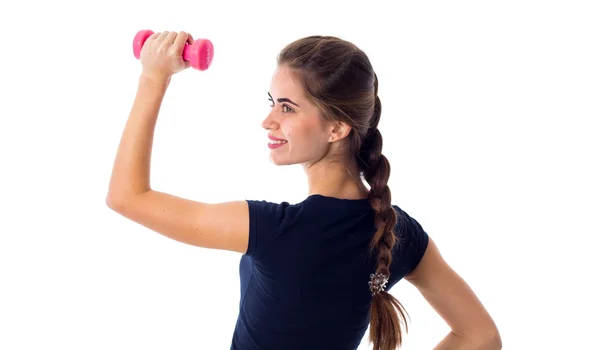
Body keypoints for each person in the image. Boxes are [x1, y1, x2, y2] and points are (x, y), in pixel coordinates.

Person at [106, 31, 502, 350]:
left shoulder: (274, 230)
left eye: (287, 107)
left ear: (337, 128)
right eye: (272, 103)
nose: (268, 120)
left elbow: (127, 197)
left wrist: (152, 78)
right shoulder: (401, 233)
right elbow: (480, 336)